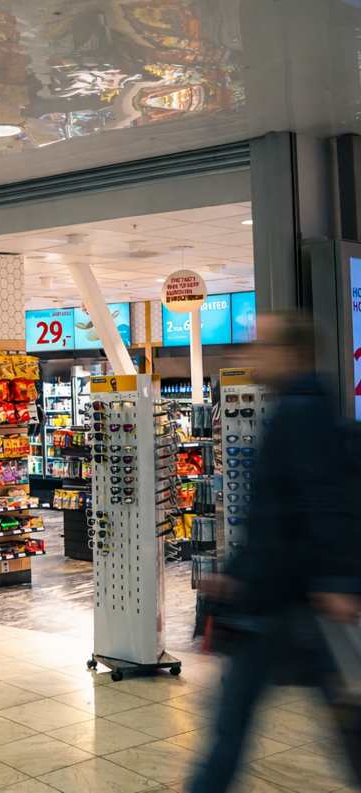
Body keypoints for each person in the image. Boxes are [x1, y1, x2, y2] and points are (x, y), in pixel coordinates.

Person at [190, 312, 361, 792]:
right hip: (278, 595)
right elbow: (278, 511)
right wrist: (237, 571)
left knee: (233, 718)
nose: (250, 356)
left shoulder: (302, 413)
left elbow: (318, 499)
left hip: (289, 602)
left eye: (260, 347)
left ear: (289, 354)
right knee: (332, 716)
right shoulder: (299, 407)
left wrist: (335, 581)